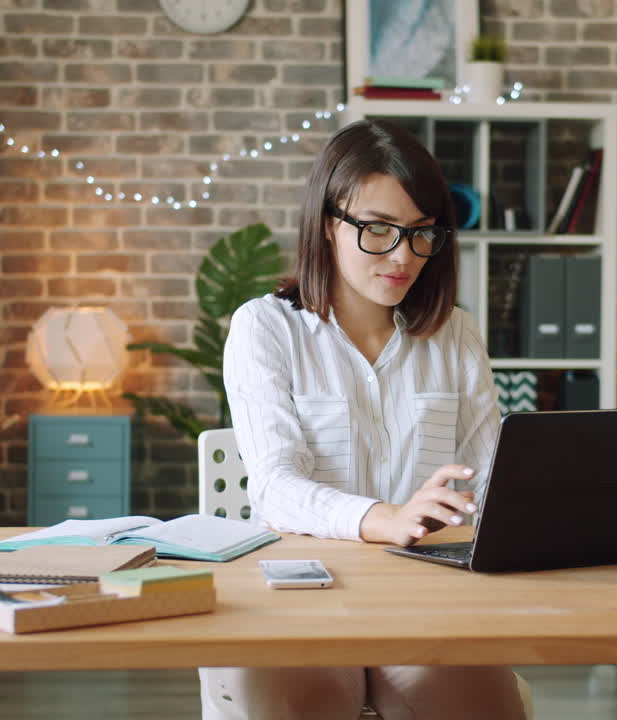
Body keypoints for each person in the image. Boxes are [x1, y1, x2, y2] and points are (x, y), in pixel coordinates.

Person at [204, 120, 525, 719]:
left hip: (426, 597)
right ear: (329, 223)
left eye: (422, 233)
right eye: (378, 230)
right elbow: (275, 488)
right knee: (307, 700)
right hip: (300, 592)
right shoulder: (266, 328)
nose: (404, 256)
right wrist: (386, 519)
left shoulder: (455, 332)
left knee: (486, 704)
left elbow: (488, 482)